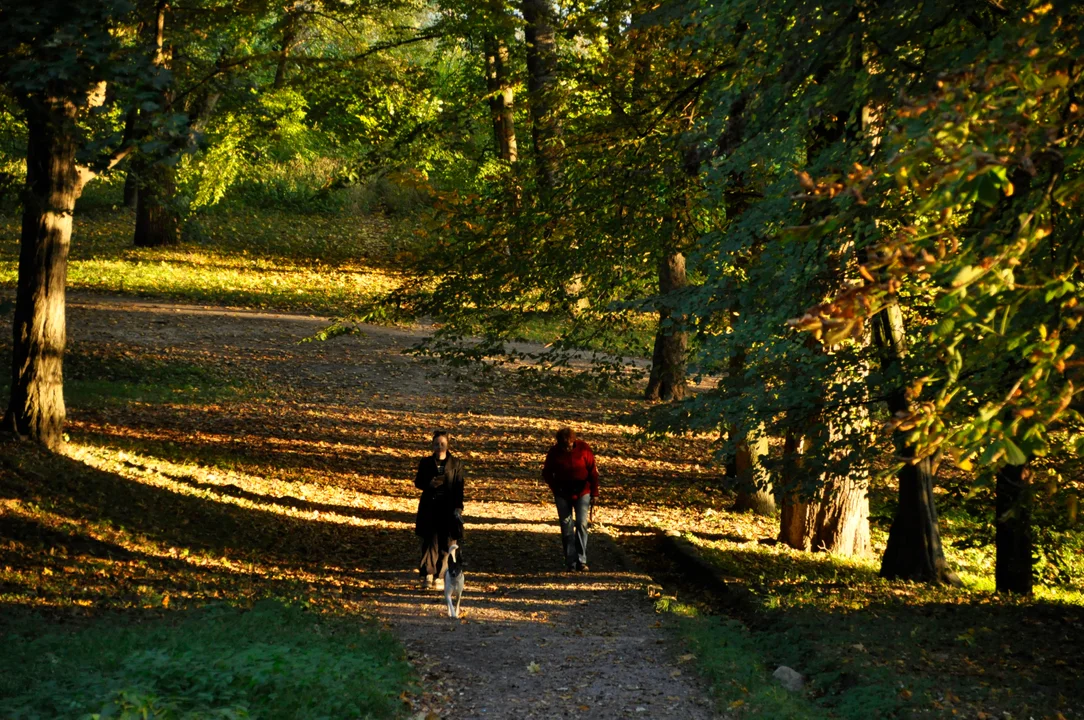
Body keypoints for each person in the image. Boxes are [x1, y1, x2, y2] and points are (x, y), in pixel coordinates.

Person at [542, 427, 599, 572]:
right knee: (566, 526)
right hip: (562, 493)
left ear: (573, 442)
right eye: (563, 446)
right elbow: (547, 472)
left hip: (582, 492)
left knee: (581, 524)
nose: (566, 448)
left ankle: (582, 560)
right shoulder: (554, 452)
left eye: (568, 445)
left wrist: (595, 493)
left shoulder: (584, 449)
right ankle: (570, 561)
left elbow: (592, 471)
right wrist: (555, 488)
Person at [414, 430, 465, 589]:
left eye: (442, 443)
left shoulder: (456, 464)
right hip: (430, 506)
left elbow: (459, 487)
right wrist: (430, 483)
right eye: (436, 444)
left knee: (447, 542)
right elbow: (418, 482)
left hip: (448, 508)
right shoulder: (425, 463)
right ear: (432, 445)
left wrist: (458, 507)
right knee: (430, 541)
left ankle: (441, 575)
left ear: (447, 445)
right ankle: (428, 574)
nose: (439, 446)